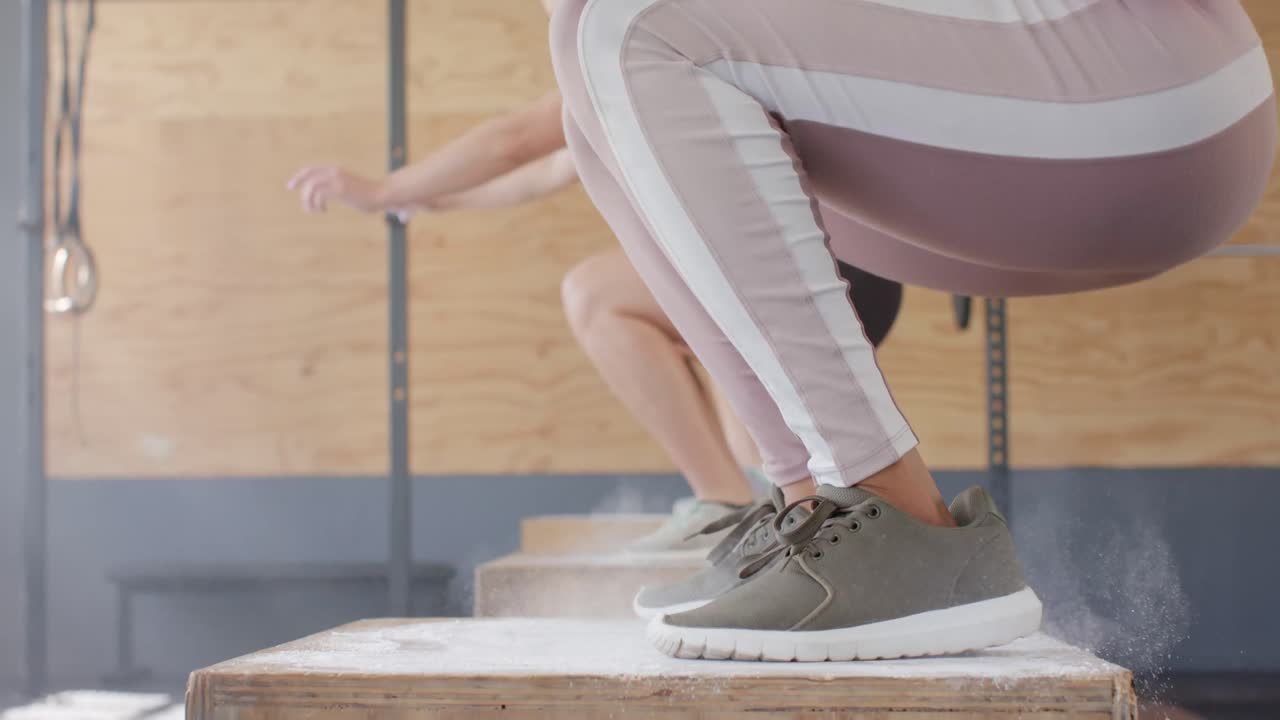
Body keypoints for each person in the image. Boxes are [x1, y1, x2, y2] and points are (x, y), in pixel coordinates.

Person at [549, 0, 1275, 660]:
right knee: (585, 53)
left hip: (1148, 78)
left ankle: (890, 510)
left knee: (630, 29)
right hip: (1094, 120)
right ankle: (809, 510)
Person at [286, 7, 905, 554]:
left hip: (835, 270)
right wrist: (435, 200)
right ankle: (769, 520)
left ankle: (720, 503)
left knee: (597, 296)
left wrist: (383, 188)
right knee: (776, 479)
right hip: (830, 276)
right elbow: (547, 167)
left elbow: (515, 141)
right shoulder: (635, 55)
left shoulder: (638, 32)